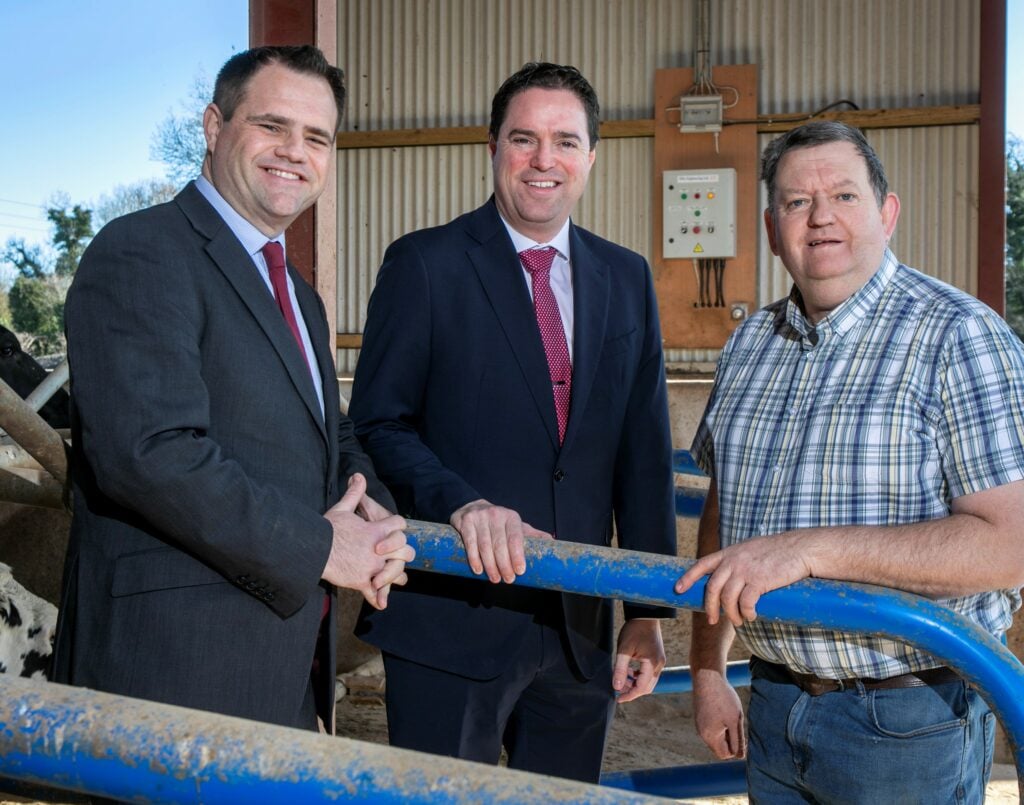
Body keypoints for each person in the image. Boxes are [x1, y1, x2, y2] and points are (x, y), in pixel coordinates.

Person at [51, 45, 413, 732]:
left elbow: (329, 433)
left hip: (282, 666)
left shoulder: (298, 295)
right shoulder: (143, 251)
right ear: (215, 128)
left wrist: (372, 517)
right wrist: (321, 546)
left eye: (317, 137)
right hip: (173, 673)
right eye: (272, 126)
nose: (294, 152)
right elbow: (149, 452)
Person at [676, 120, 1024, 802]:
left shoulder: (960, 336)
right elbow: (726, 510)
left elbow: (1012, 545)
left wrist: (808, 551)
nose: (821, 217)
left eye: (843, 194)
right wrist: (709, 669)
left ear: (887, 213)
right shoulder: (749, 344)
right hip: (772, 699)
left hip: (907, 719)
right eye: (797, 202)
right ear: (774, 229)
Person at [349, 62, 676, 782]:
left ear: (592, 156)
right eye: (523, 138)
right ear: (492, 148)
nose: (543, 159)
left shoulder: (626, 277)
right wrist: (459, 504)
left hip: (578, 628)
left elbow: (644, 451)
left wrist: (647, 611)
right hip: (451, 618)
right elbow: (378, 423)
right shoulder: (425, 264)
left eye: (565, 140)